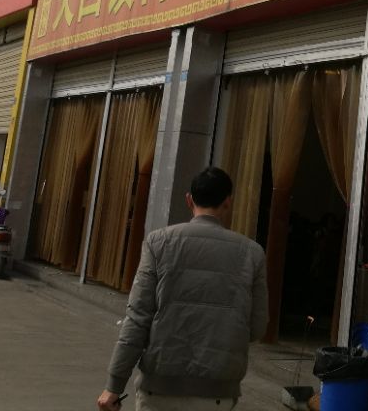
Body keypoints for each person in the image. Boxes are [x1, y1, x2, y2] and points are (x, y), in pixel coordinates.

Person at [96, 166, 268, 411]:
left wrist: (114, 385)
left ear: (189, 200)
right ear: (228, 203)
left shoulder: (159, 242)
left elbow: (137, 319)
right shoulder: (252, 253)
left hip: (159, 389)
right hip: (217, 393)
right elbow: (257, 326)